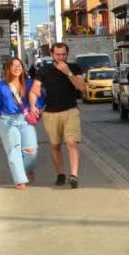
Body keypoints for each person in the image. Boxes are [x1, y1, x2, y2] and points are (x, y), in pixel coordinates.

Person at [36, 41, 87, 189]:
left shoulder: (74, 67)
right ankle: (60, 174)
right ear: (51, 54)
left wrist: (68, 72)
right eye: (57, 54)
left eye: (63, 54)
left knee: (72, 143)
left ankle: (74, 176)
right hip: (51, 113)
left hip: (70, 110)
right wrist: (34, 104)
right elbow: (35, 89)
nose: (61, 57)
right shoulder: (43, 71)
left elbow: (81, 87)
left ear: (67, 54)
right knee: (55, 145)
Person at [0, 57, 41, 190]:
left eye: (19, 65)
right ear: (8, 69)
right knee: (14, 150)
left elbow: (38, 96)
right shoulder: (1, 85)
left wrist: (35, 107)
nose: (17, 68)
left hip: (25, 120)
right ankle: (19, 179)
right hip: (8, 121)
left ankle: (27, 169)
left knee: (31, 150)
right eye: (14, 66)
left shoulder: (28, 83)